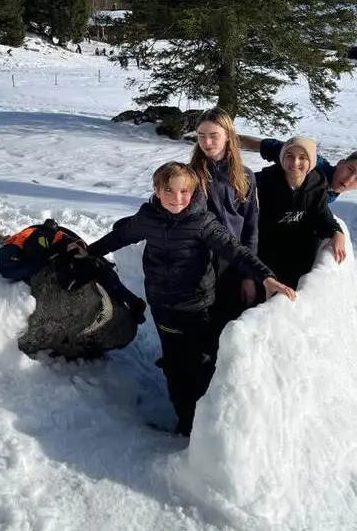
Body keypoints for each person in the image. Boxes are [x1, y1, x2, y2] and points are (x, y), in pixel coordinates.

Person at [69, 161, 291, 436]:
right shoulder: (148, 218)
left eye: (185, 191)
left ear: (194, 191)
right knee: (174, 364)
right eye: (170, 191)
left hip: (197, 306)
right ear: (157, 190)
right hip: (162, 305)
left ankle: (206, 426)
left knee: (200, 363)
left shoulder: (202, 221)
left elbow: (235, 250)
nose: (178, 199)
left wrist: (265, 276)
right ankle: (185, 421)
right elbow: (120, 236)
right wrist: (89, 251)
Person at [189, 108, 262, 335]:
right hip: (198, 262)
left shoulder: (245, 176)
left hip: (232, 261)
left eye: (214, 135)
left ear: (228, 136)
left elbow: (250, 229)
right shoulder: (191, 175)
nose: (207, 142)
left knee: (229, 322)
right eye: (201, 136)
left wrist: (248, 276)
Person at [254, 136, 347, 291]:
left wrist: (337, 232)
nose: (295, 162)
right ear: (282, 158)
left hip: (299, 254)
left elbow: (322, 215)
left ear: (311, 163)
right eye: (289, 156)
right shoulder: (263, 181)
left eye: (302, 158)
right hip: (266, 251)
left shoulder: (317, 184)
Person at [238, 134, 357, 203]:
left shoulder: (330, 196)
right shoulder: (313, 163)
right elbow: (269, 146)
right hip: (238, 188)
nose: (349, 179)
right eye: (350, 170)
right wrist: (228, 140)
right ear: (341, 163)